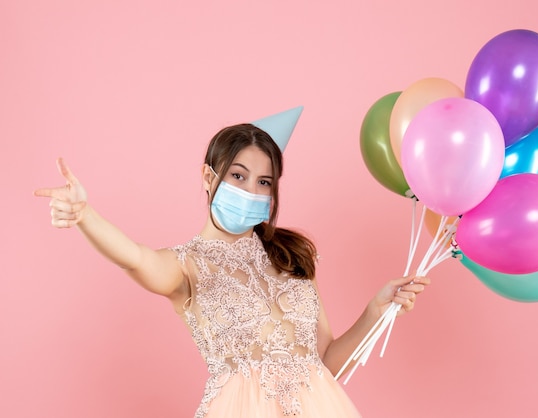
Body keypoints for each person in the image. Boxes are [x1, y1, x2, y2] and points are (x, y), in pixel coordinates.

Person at [34, 121, 430, 417]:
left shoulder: (290, 259)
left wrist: (374, 312)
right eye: (238, 176)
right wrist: (86, 216)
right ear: (209, 176)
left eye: (264, 182)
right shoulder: (187, 266)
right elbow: (135, 257)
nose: (251, 192)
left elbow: (323, 365)